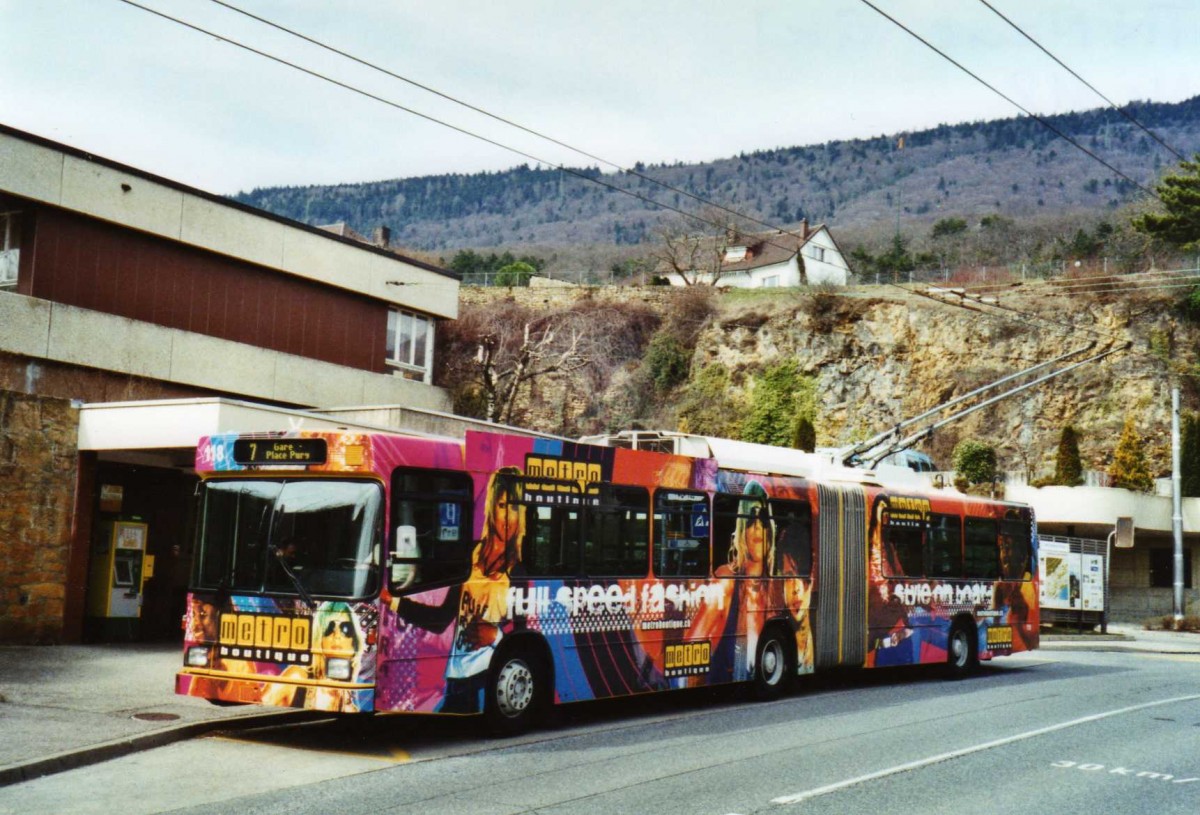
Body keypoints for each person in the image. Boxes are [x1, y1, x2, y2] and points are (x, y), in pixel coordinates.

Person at [392, 467, 526, 713]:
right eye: (503, 505)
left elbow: (526, 627)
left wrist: (496, 637)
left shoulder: (520, 568)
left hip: (489, 673)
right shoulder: (471, 556)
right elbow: (443, 619)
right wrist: (393, 601)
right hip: (457, 675)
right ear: (492, 507)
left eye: (515, 508)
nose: (508, 516)